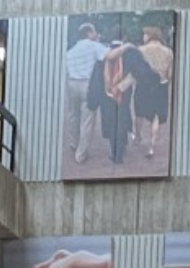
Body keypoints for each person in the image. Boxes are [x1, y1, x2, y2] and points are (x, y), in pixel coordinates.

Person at [106, 26, 174, 160]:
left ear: (149, 35)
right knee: (156, 117)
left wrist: (121, 86)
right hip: (161, 86)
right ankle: (152, 146)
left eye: (144, 34)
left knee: (139, 113)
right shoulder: (169, 52)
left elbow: (135, 72)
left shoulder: (141, 50)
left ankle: (138, 137)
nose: (143, 37)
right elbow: (170, 74)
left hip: (144, 85)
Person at [66, 23, 109, 164]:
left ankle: (74, 143)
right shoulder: (93, 45)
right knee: (87, 120)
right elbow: (109, 54)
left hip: (72, 83)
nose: (96, 34)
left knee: (73, 115)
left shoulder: (71, 50)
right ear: (89, 32)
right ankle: (81, 154)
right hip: (87, 84)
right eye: (95, 32)